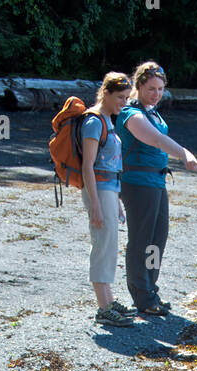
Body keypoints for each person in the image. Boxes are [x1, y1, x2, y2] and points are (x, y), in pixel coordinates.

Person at [116, 62, 197, 317]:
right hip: (137, 184)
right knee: (142, 241)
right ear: (139, 86)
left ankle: (151, 289)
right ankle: (142, 297)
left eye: (160, 89)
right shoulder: (131, 113)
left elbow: (158, 136)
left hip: (156, 182)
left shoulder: (153, 112)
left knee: (157, 240)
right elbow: (154, 139)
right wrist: (183, 153)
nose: (156, 94)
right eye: (151, 88)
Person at [80, 72, 132, 327]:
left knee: (110, 243)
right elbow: (87, 166)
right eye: (120, 97)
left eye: (126, 98)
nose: (124, 102)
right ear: (106, 93)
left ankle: (109, 301)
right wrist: (96, 206)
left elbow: (110, 164)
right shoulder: (93, 122)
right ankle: (103, 307)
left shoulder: (108, 121)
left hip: (109, 188)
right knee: (103, 244)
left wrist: (117, 199)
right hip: (98, 190)